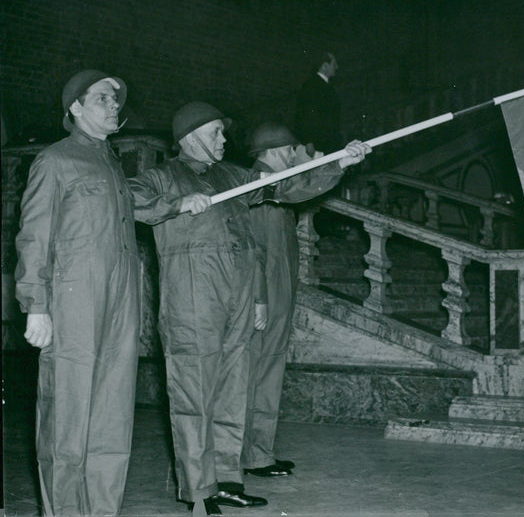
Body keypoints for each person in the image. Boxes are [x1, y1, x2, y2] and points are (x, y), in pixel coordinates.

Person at [128, 103, 369, 515]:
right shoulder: (163, 176)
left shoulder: (233, 176)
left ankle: (226, 480)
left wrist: (338, 164)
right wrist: (178, 204)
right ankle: (198, 492)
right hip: (193, 301)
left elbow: (286, 187)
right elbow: (126, 198)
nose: (225, 140)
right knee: (194, 397)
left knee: (232, 393)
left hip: (236, 299)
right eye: (217, 133)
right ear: (191, 136)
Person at [15, 69, 139, 516]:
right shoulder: (54, 161)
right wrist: (36, 307)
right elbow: (34, 237)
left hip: (121, 303)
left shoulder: (112, 164)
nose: (114, 106)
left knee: (112, 414)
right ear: (76, 107)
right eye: (104, 98)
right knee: (66, 417)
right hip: (74, 303)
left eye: (116, 101)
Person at [242, 122, 367, 478]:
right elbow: (255, 252)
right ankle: (248, 453)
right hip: (263, 296)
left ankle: (259, 453)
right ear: (278, 152)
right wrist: (258, 299)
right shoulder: (261, 185)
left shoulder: (276, 186)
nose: (293, 157)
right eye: (291, 152)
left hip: (278, 292)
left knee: (269, 371)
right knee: (258, 372)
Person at [294, 52, 341, 156]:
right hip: (316, 146)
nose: (337, 67)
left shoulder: (328, 87)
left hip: (327, 144)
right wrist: (309, 142)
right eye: (334, 64)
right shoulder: (311, 85)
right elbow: (304, 114)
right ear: (324, 66)